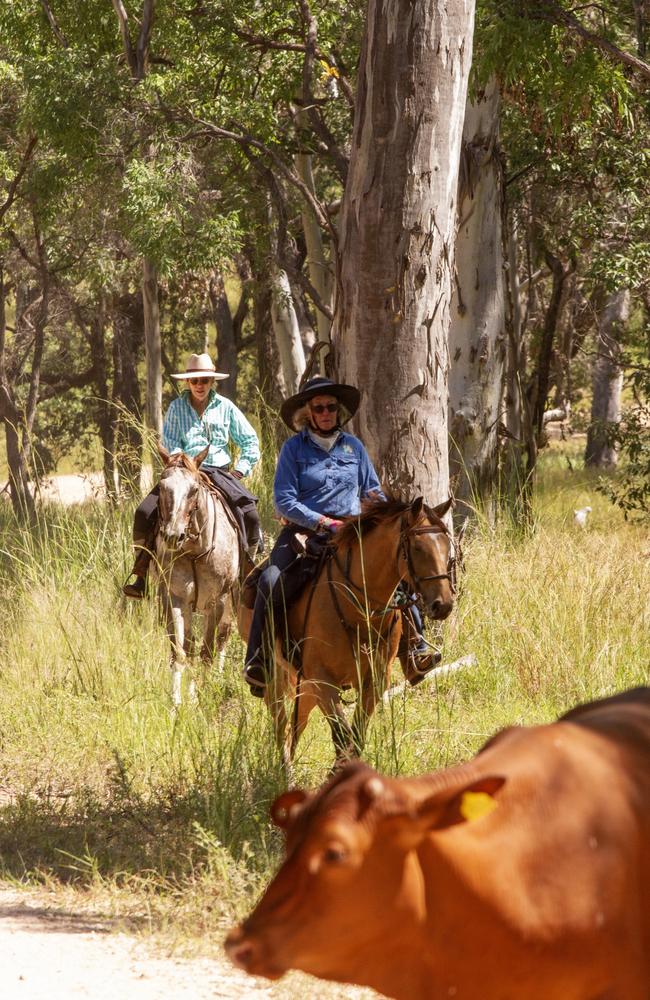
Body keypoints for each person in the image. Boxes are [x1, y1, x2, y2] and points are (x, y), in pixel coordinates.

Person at [243, 375, 436, 695]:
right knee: (270, 581)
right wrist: (325, 523)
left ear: (338, 410)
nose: (326, 412)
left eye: (331, 406)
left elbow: (373, 492)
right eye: (319, 407)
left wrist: (386, 520)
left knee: (401, 573)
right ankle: (259, 659)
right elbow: (285, 501)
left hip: (355, 531)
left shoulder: (353, 447)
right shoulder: (293, 449)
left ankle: (414, 648)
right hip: (304, 533)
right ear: (308, 412)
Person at [123, 352, 261, 598]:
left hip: (217, 472)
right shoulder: (176, 407)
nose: (199, 385)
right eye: (195, 380)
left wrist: (240, 470)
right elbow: (171, 441)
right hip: (183, 472)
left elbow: (250, 441)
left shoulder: (226, 407)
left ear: (212, 382)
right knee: (144, 512)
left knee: (249, 513)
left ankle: (248, 570)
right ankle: (142, 572)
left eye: (205, 381)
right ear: (187, 382)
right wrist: (185, 463)